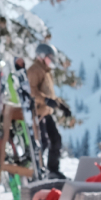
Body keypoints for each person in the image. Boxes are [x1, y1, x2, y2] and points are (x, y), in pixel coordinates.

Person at [27, 42, 70, 179]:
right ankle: (34, 171)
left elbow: (50, 94)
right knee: (42, 143)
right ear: (41, 56)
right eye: (49, 56)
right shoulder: (34, 70)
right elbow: (31, 91)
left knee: (56, 139)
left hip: (47, 113)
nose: (51, 60)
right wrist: (45, 101)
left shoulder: (46, 72)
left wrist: (61, 105)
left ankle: (52, 170)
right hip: (37, 113)